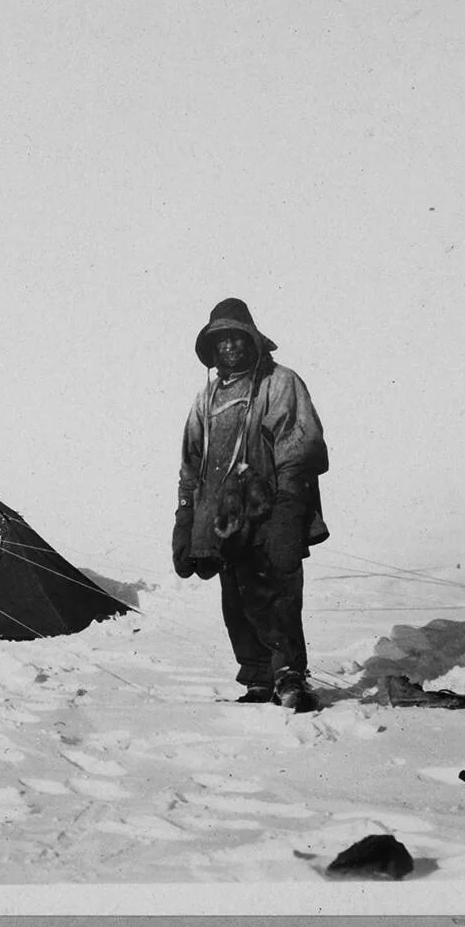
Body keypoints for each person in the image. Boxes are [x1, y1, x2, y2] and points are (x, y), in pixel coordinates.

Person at [173, 299, 329, 711]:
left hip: (269, 514)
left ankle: (289, 676)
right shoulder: (205, 400)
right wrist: (185, 518)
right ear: (210, 349)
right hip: (224, 522)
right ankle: (258, 675)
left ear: (252, 338)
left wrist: (287, 515)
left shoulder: (279, 383)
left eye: (236, 337)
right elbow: (191, 464)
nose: (229, 346)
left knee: (276, 597)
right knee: (237, 602)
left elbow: (298, 448)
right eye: (219, 340)